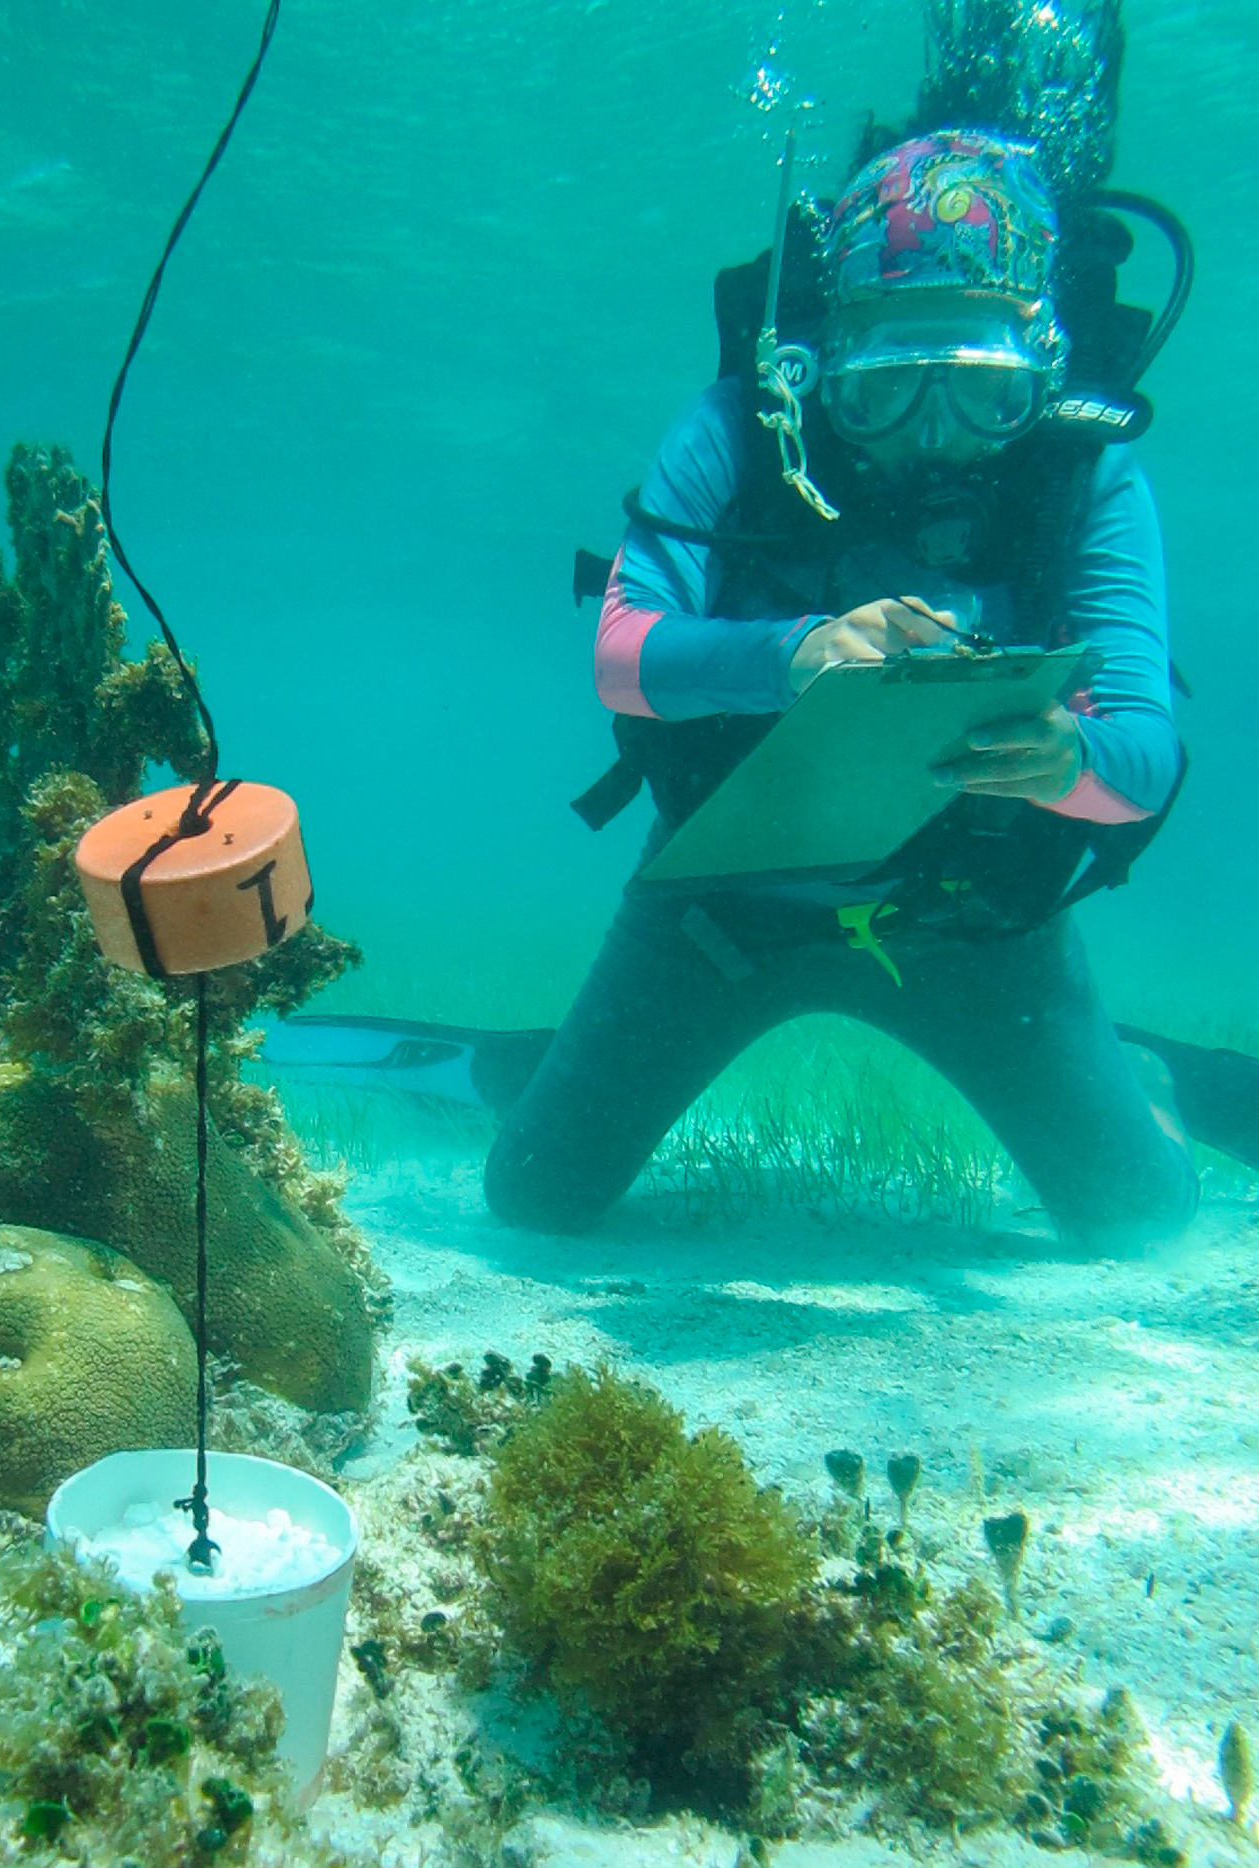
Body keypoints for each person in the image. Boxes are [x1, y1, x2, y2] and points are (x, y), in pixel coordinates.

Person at [481, 128, 1200, 1245]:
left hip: (976, 923)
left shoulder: (1089, 475)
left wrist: (1067, 759)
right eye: (887, 390)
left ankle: (1138, 1073)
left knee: (1137, 1213)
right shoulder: (734, 427)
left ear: (1042, 367)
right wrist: (796, 652)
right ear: (822, 362)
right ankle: (565, 1067)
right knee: (533, 1195)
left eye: (979, 393)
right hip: (721, 910)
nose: (932, 435)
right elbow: (621, 658)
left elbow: (1144, 763)